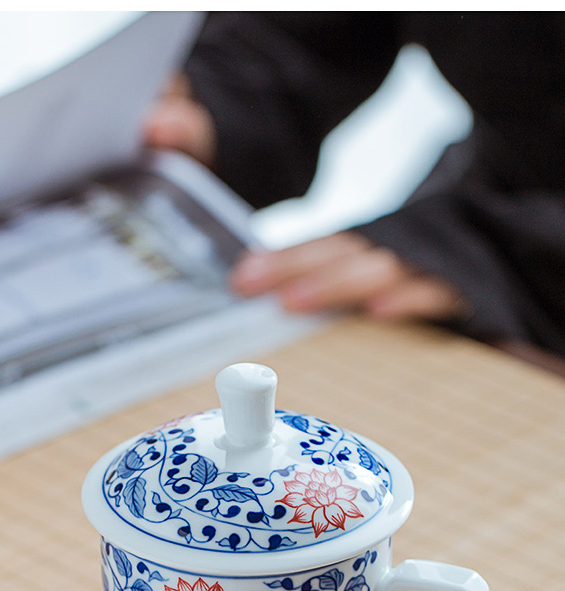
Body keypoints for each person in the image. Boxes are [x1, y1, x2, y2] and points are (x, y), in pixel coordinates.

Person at [144, 12, 565, 368]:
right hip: (490, 207)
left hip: (516, 260)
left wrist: (515, 257)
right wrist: (216, 98)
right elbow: (309, 33)